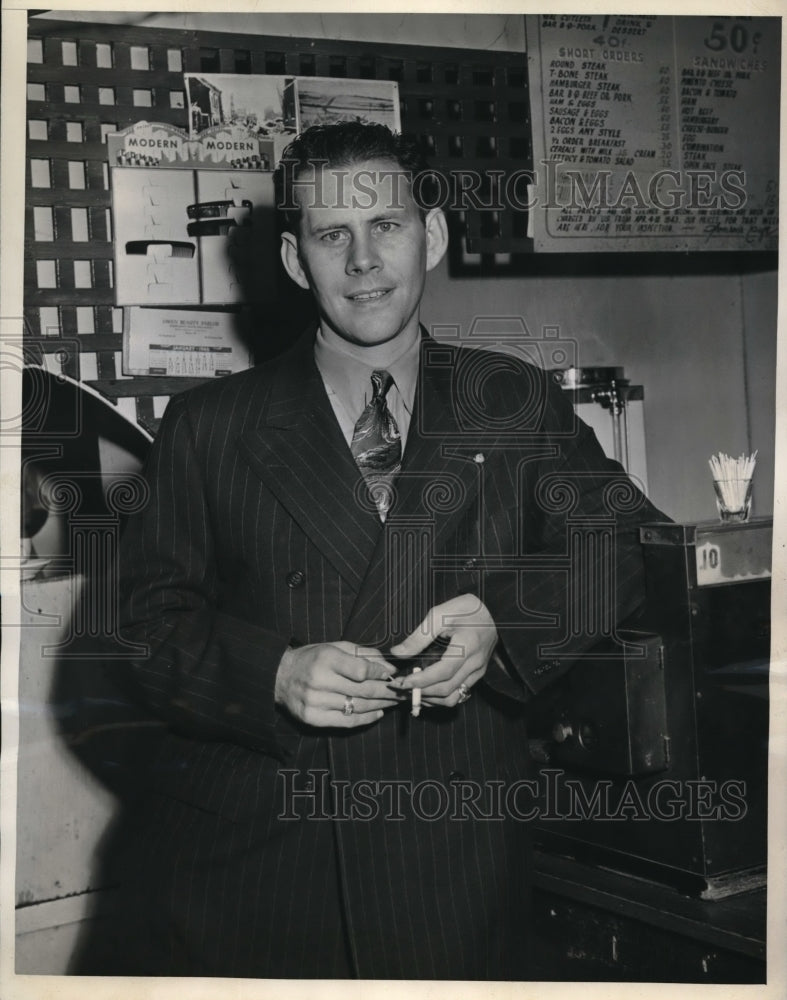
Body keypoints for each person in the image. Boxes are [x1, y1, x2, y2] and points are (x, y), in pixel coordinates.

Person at [67, 121, 666, 980]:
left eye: (385, 225)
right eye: (330, 234)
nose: (362, 261)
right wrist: (269, 672)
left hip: (448, 859)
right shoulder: (211, 426)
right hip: (250, 868)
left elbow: (629, 543)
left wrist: (507, 624)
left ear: (431, 236)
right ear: (290, 258)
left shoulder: (512, 401)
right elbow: (136, 625)